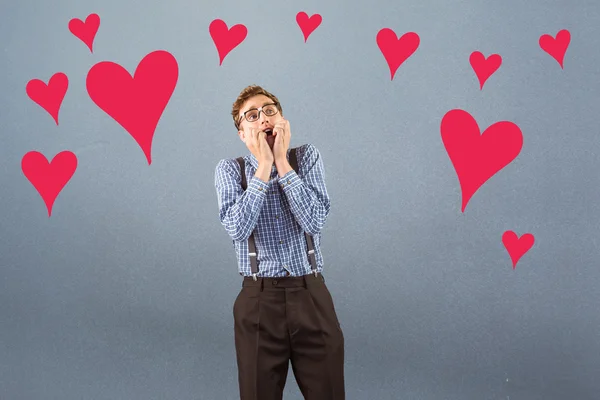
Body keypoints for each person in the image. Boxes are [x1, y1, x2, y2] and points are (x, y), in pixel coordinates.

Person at [214, 85, 345, 400]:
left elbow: (314, 220)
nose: (263, 119)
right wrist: (263, 167)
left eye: (270, 110)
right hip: (259, 302)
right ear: (243, 134)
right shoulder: (229, 170)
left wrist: (282, 163)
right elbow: (237, 227)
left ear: (283, 120)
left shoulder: (307, 157)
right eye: (253, 116)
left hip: (310, 296)